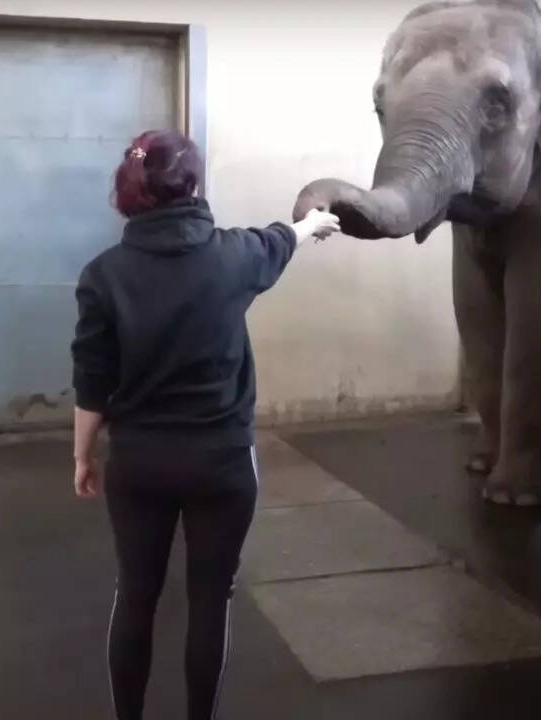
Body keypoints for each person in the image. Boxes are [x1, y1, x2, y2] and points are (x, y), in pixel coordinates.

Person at [69, 129, 340, 720]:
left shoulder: (102, 275)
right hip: (221, 464)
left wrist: (83, 458)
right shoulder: (234, 256)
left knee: (136, 596)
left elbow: (92, 384)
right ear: (191, 185)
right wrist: (310, 225)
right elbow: (280, 239)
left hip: (138, 465)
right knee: (210, 600)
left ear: (130, 192)